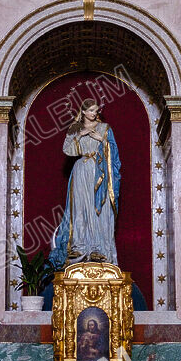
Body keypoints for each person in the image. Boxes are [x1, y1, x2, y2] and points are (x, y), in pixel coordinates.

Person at [49, 98, 121, 269]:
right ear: (83, 112)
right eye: (91, 111)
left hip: (99, 171)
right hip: (81, 169)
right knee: (80, 208)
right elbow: (67, 150)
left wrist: (101, 141)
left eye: (96, 110)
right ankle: (79, 247)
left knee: (99, 209)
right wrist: (79, 136)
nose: (94, 113)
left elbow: (115, 154)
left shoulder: (104, 128)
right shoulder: (75, 129)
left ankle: (99, 249)